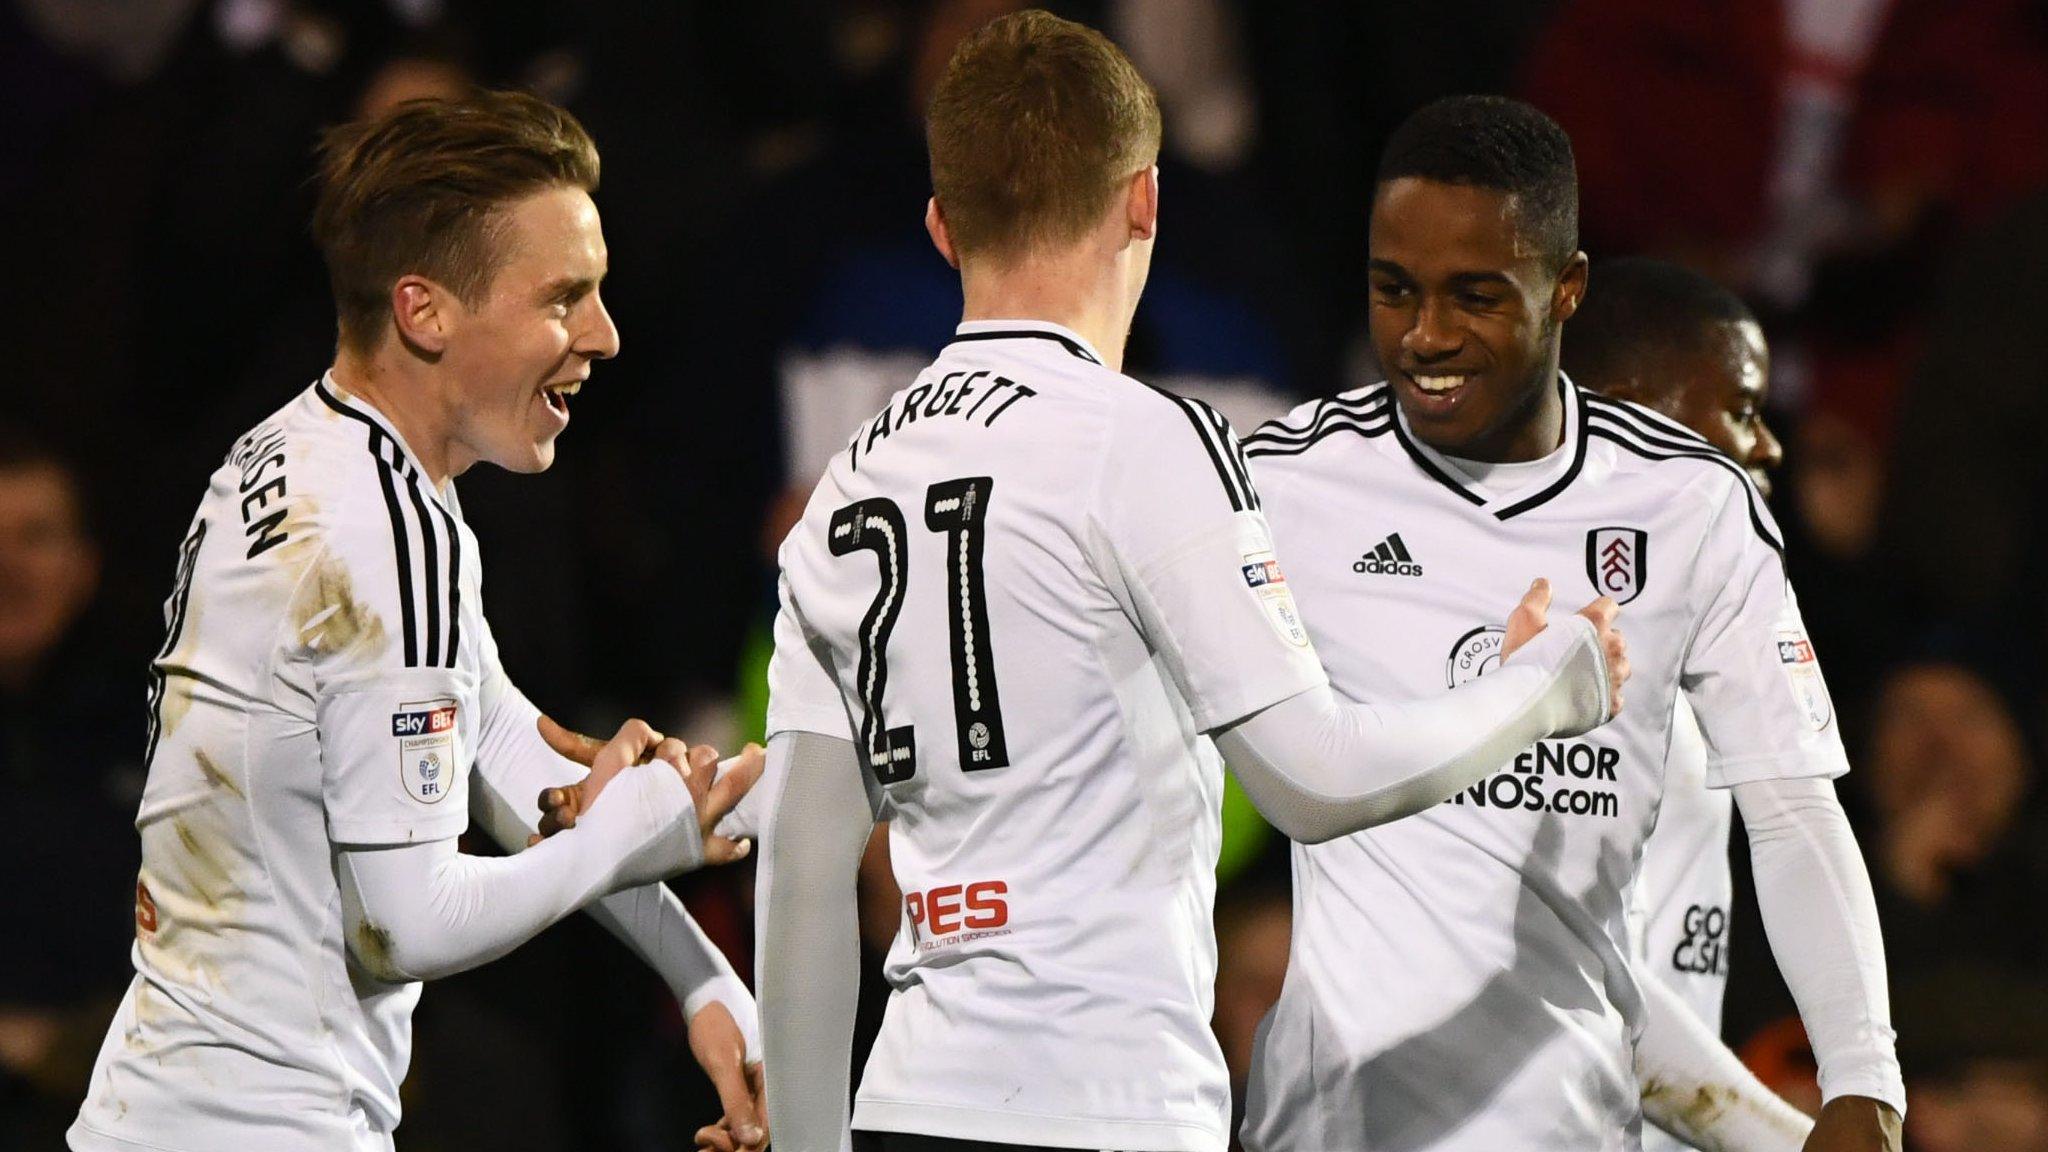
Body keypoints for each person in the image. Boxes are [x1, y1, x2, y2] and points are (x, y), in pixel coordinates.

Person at [750, 14, 1625, 1152]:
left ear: (939, 225)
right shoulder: (1145, 444)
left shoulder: (841, 491)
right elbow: (1311, 781)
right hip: (1107, 1107)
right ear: (1144, 203)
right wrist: (1546, 688)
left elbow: (804, 881)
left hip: (911, 1105)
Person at [67, 90, 765, 1152]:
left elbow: (484, 741)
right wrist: (632, 832)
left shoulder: (307, 457)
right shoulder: (379, 540)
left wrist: (699, 973)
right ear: (424, 309)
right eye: (563, 298)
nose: (603, 336)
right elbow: (405, 922)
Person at [1239, 97, 1904, 1152]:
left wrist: (1863, 1082)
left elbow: (1792, 812)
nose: (1424, 337)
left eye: (1473, 296)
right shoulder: (1283, 483)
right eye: (1392, 290)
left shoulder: (1690, 510)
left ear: (1566, 292)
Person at [1563, 256, 1812, 1151]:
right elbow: (1569, 978)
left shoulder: (1693, 639)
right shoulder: (1556, 651)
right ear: (1634, 420)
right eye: (1742, 410)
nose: (1769, 445)